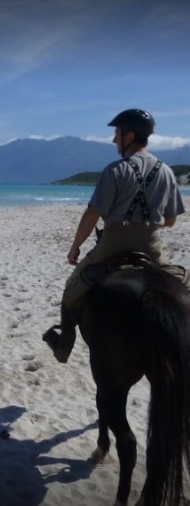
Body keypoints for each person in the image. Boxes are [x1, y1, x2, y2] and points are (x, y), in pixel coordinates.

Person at [42, 108, 186, 363]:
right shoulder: (166, 171)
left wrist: (75, 247)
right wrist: (148, 223)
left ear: (130, 135)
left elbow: (92, 214)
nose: (113, 140)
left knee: (71, 290)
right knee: (182, 285)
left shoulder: (115, 170)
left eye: (117, 133)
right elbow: (171, 221)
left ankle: (64, 345)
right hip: (152, 248)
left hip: (111, 245)